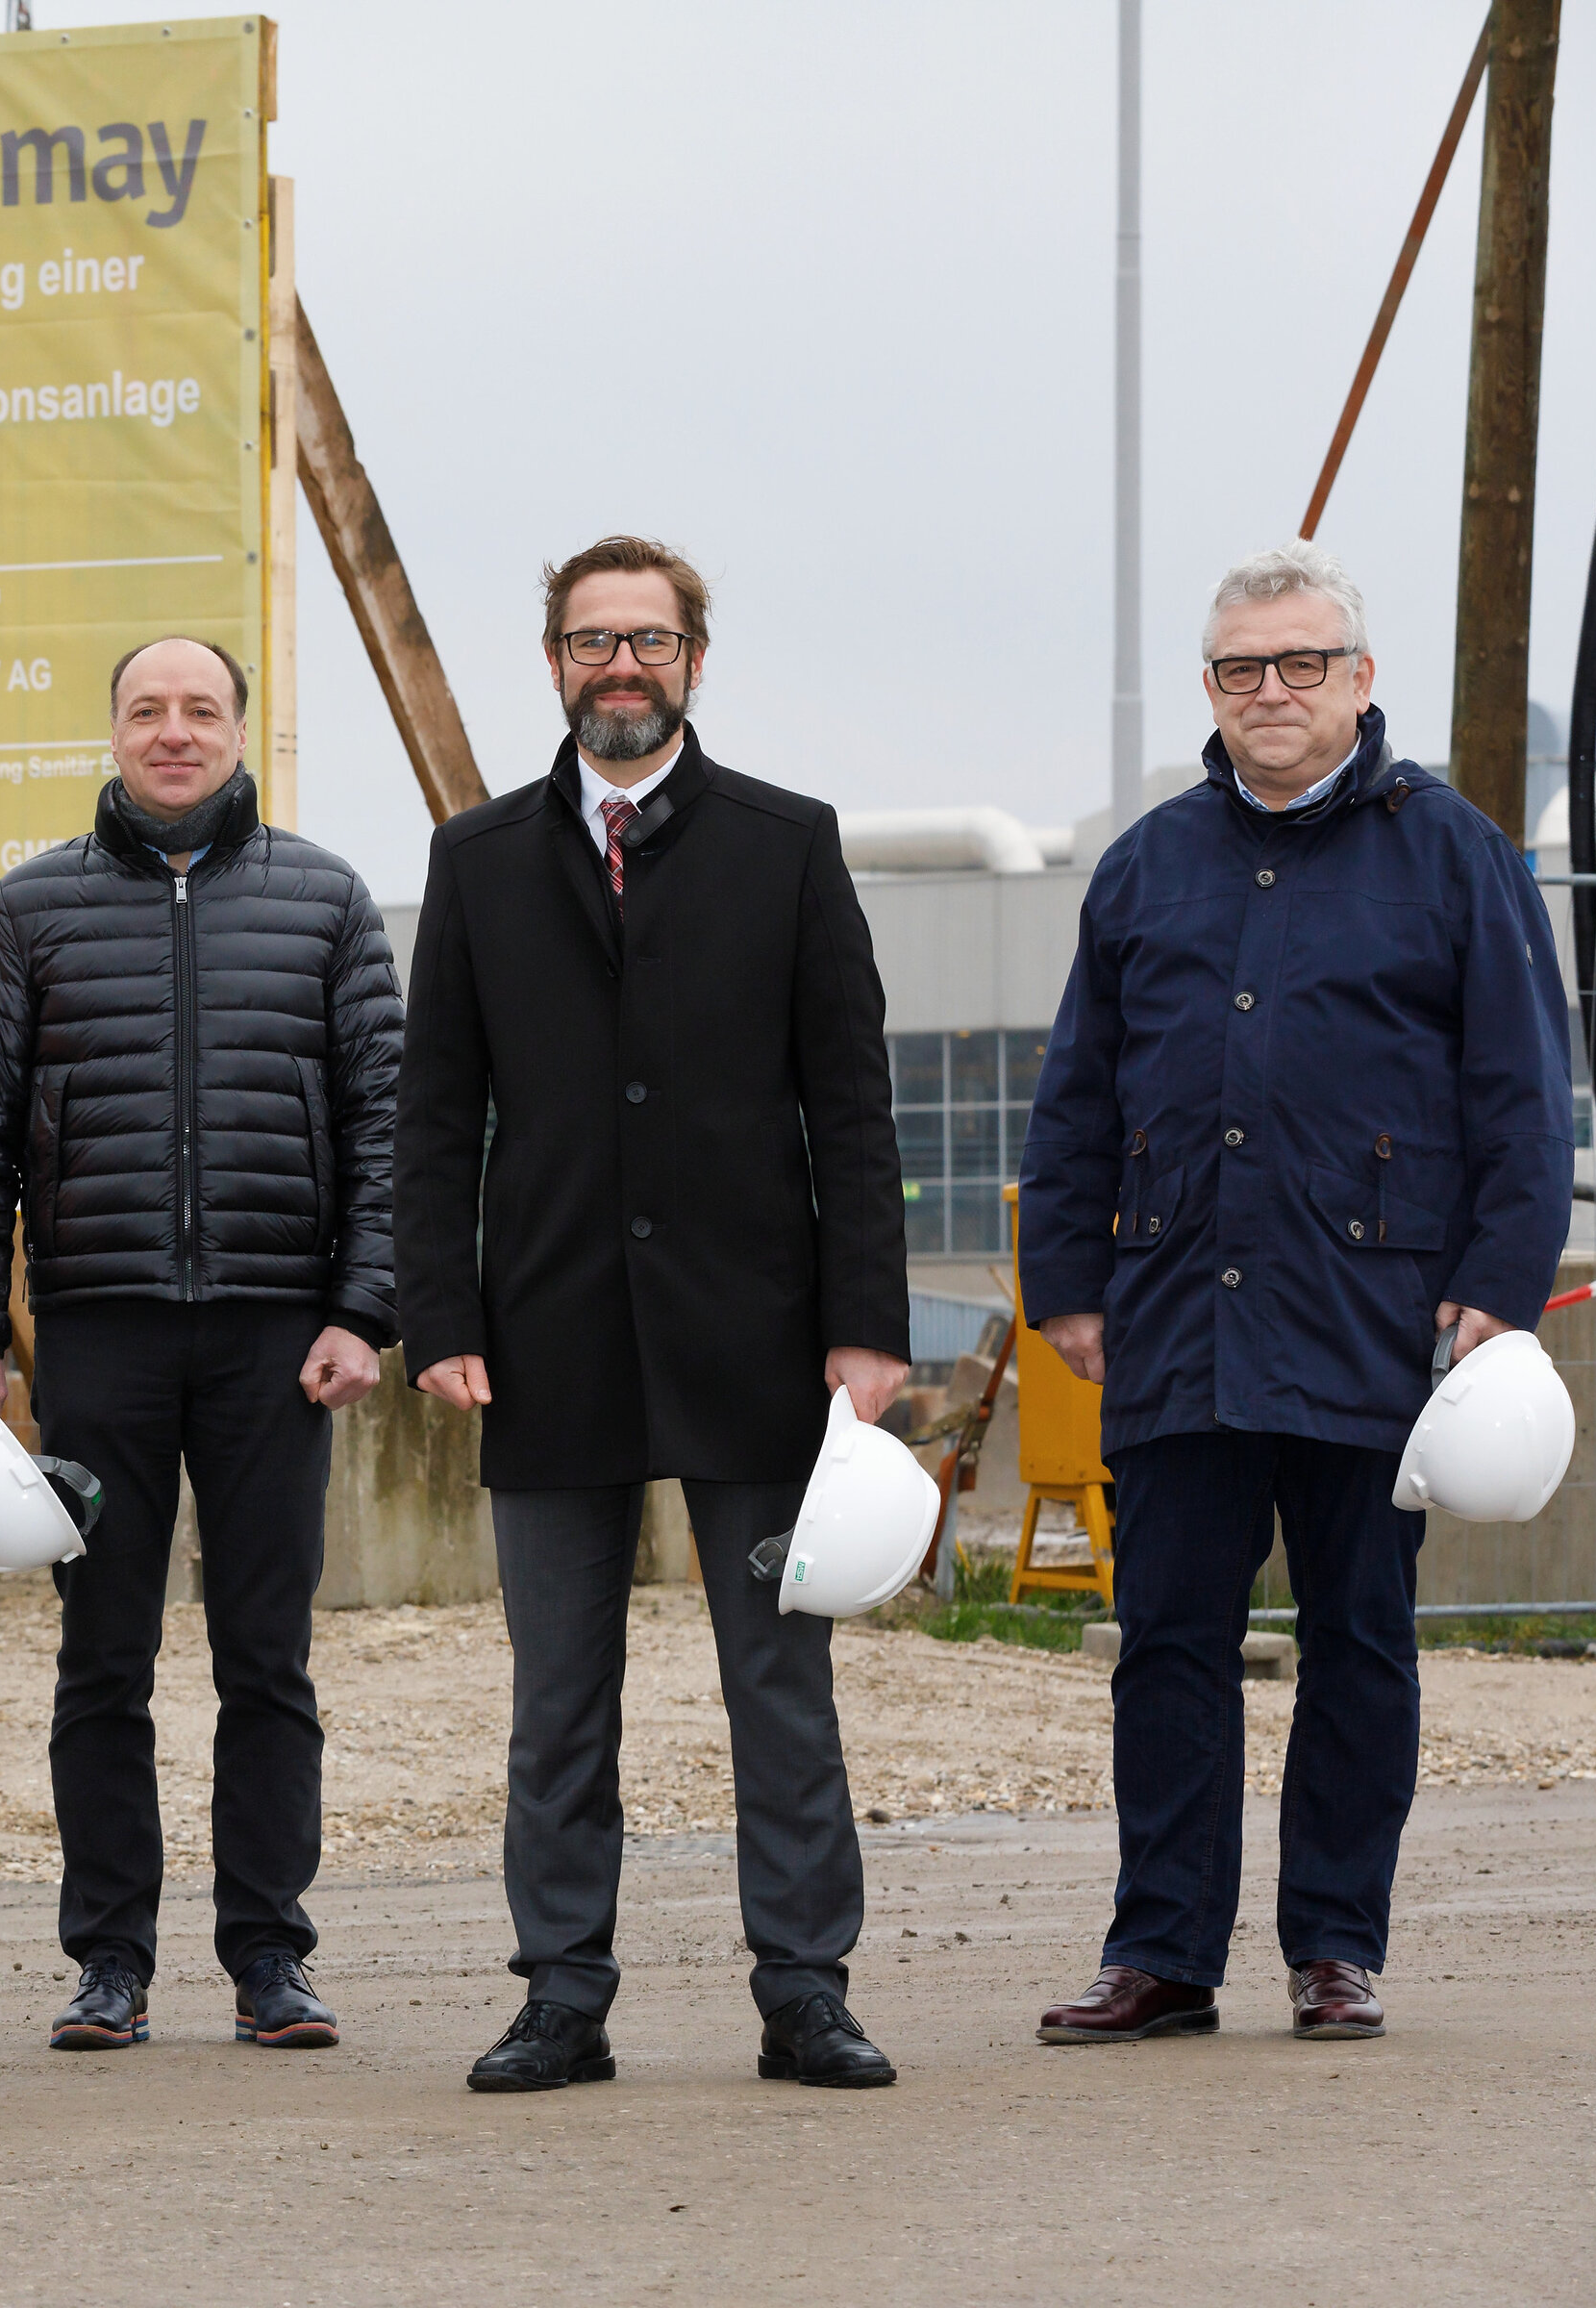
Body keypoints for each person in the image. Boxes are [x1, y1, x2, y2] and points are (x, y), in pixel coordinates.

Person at [1019, 544, 1569, 2047]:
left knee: (1360, 1643)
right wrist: (1067, 1282)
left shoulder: (1454, 853)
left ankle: (1336, 1944)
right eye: (1244, 669)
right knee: (1170, 1645)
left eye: (1304, 664)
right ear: (1210, 689)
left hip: (1376, 1321)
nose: (1274, 692)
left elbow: (1526, 1091)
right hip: (1175, 1317)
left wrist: (1497, 1289)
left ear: (1360, 679)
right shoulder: (1148, 864)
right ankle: (1164, 1953)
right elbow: (1075, 1094)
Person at [393, 536, 908, 2093]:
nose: (622, 666)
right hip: (546, 1341)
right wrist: (440, 1312)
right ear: (552, 660)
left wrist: (866, 1326)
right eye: (592, 640)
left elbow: (853, 1105)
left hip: (755, 1339)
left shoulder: (787, 843)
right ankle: (562, 1993)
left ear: (695, 659)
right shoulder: (477, 860)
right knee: (559, 1702)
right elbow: (433, 1114)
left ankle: (805, 1990)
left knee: (781, 1687)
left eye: (651, 641)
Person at [0, 636, 402, 2057]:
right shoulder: (32, 910)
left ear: (240, 730)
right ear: (115, 731)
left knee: (269, 1661)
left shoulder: (324, 902)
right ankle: (110, 1963)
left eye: (201, 710)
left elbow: (389, 1127)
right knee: (102, 1661)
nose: (174, 732)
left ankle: (270, 1957)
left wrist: (363, 1307)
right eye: (149, 710)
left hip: (276, 1340)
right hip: (97, 1335)